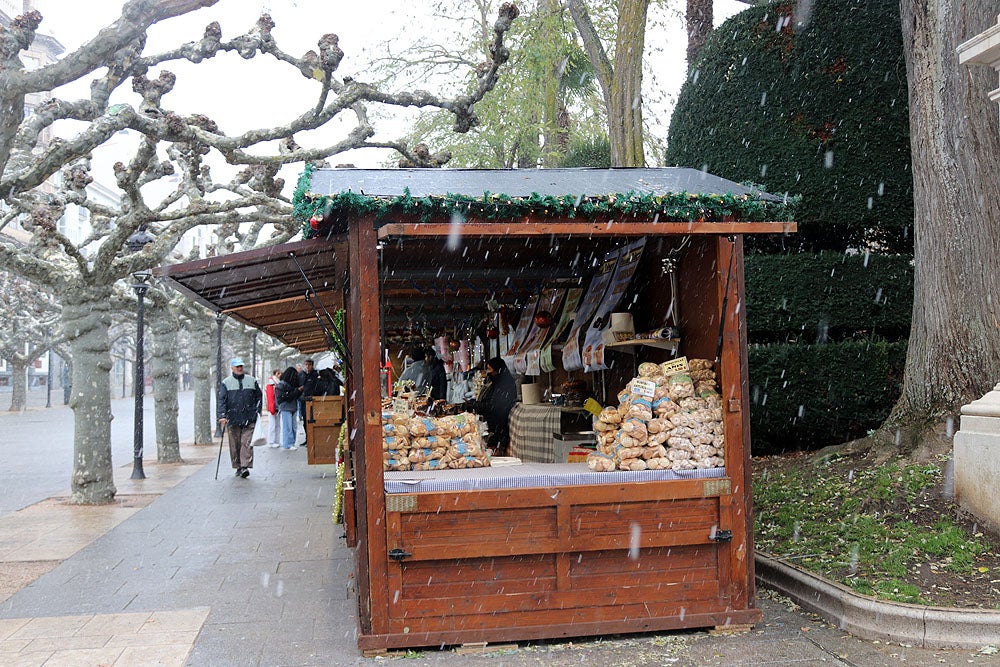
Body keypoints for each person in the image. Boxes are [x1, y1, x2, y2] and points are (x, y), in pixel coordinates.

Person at [217, 357, 263, 478]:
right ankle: (238, 465)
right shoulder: (226, 383)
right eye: (237, 366)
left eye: (241, 366)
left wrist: (257, 411)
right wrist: (222, 415)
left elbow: (259, 396)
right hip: (233, 418)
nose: (239, 368)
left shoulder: (252, 381)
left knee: (246, 443)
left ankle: (244, 466)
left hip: (249, 417)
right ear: (232, 368)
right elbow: (221, 400)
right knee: (235, 444)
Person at [463, 357, 517, 456]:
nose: (487, 372)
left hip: (500, 431)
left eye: (489, 369)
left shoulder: (505, 385)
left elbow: (494, 407)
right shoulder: (495, 384)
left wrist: (475, 405)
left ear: (498, 370)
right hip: (493, 429)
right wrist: (474, 403)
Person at [274, 367, 303, 450]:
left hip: (290, 406)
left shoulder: (284, 384)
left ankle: (290, 443)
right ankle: (288, 444)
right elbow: (286, 396)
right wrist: (297, 391)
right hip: (287, 407)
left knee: (292, 427)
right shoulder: (283, 385)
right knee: (289, 427)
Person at [298, 359, 319, 441]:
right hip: (304, 401)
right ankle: (308, 438)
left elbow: (316, 387)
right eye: (306, 364)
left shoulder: (315, 375)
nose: (307, 366)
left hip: (312, 400)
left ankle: (311, 439)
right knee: (305, 421)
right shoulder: (302, 375)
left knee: (311, 420)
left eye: (309, 365)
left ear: (312, 365)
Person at [265, 369, 282, 448]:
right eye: (279, 373)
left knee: (276, 424)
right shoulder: (272, 385)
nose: (280, 375)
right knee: (273, 425)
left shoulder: (275, 384)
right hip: (274, 406)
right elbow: (270, 397)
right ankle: (272, 441)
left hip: (275, 406)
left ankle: (276, 441)